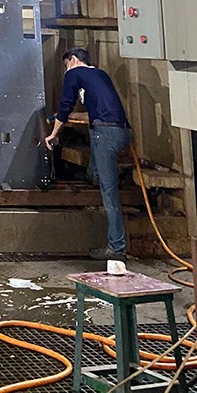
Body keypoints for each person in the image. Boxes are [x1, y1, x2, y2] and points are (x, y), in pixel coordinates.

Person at [45, 47, 131, 262]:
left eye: (66, 65)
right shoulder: (101, 75)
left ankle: (117, 247)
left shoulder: (74, 73)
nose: (66, 69)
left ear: (73, 60)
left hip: (105, 134)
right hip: (121, 132)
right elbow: (97, 113)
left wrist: (54, 133)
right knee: (96, 169)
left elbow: (65, 104)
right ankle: (93, 175)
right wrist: (65, 117)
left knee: (109, 193)